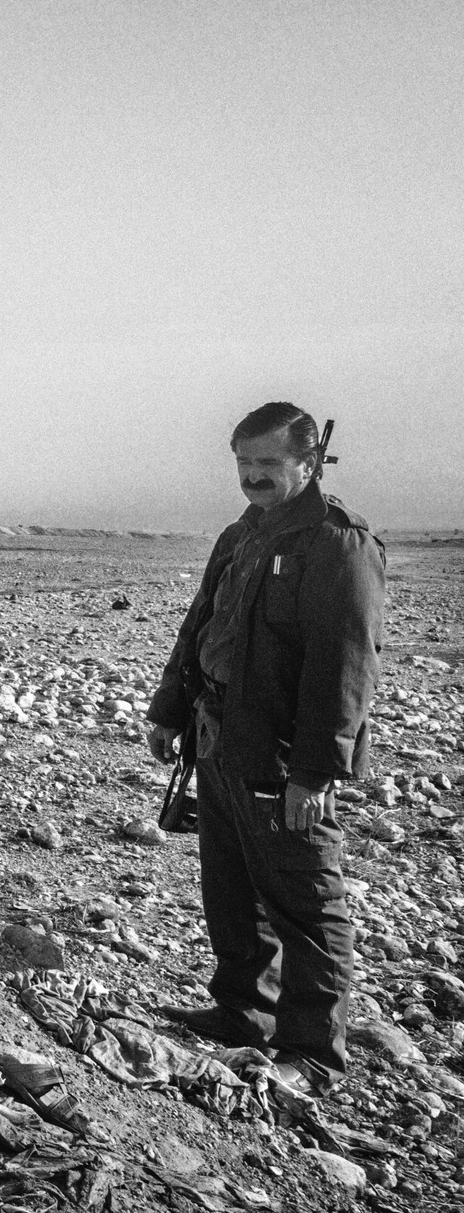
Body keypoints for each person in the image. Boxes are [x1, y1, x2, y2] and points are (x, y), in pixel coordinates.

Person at [144, 402, 385, 1095]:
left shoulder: (337, 544)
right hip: (218, 736)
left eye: (268, 464)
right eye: (244, 463)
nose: (253, 476)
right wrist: (168, 708)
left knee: (307, 903)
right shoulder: (242, 535)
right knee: (231, 886)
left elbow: (345, 669)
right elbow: (202, 625)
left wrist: (315, 773)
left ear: (309, 464)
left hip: (281, 757)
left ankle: (312, 1056)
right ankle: (243, 1011)